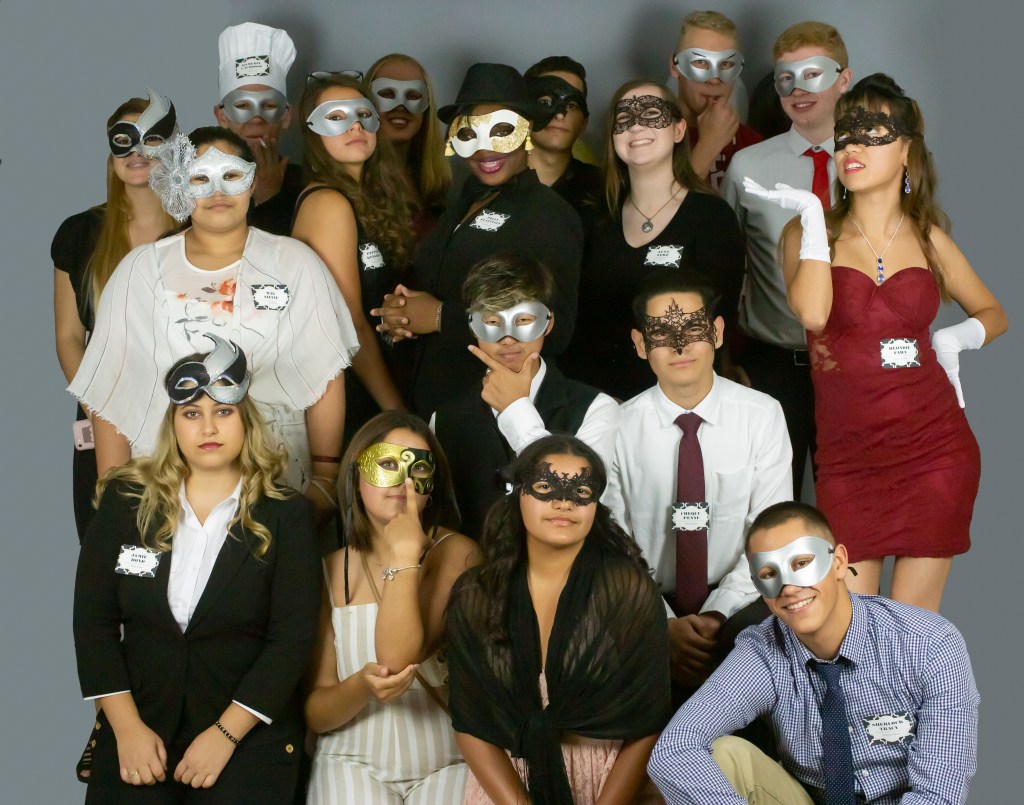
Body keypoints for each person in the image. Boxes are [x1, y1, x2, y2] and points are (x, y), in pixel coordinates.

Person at [746, 74, 1008, 610]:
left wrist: (954, 340)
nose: (852, 146)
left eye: (873, 132)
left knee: (913, 631)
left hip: (935, 450)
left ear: (907, 149)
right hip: (849, 460)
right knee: (854, 631)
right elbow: (814, 312)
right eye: (844, 134)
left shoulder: (929, 235)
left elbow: (993, 312)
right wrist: (816, 218)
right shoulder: (806, 232)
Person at [73, 339, 322, 803]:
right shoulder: (124, 502)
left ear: (246, 419)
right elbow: (93, 625)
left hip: (247, 736)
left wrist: (225, 737)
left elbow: (290, 642)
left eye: (223, 412)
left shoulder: (288, 516)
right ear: (172, 423)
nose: (207, 426)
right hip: (140, 727)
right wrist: (125, 729)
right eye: (191, 414)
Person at [69, 126, 358, 523]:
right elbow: (113, 387)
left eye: (232, 175)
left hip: (278, 472)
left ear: (253, 181)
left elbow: (325, 371)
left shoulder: (295, 264)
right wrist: (116, 498)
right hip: (164, 480)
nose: (217, 192)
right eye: (200, 178)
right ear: (179, 187)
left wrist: (325, 476)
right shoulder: (141, 270)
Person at [648, 501, 980, 805]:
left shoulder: (930, 643)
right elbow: (675, 748)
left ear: (838, 563)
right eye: (769, 575)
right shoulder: (762, 650)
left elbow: (939, 794)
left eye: (802, 563)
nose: (789, 588)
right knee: (726, 754)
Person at [447, 435, 671, 804]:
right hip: (507, 786)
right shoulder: (476, 594)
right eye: (545, 486)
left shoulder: (627, 591)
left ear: (596, 503)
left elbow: (649, 722)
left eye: (581, 490)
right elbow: (470, 723)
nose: (564, 501)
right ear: (518, 492)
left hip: (611, 784)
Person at [603, 268, 792, 690]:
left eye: (693, 327)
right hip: (644, 602)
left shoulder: (762, 416)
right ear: (639, 345)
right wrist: (662, 625)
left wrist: (716, 614)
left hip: (742, 599)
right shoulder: (616, 426)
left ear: (718, 332)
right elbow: (613, 540)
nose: (679, 344)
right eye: (660, 332)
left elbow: (771, 534)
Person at [372, 62, 583, 419]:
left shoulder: (549, 215)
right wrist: (405, 315)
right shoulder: (462, 202)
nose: (485, 150)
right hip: (434, 402)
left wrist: (439, 317)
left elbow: (557, 328)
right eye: (471, 134)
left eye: (501, 131)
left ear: (527, 132)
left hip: (493, 412)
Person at [306, 412, 479, 803]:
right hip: (350, 759)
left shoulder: (459, 554)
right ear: (356, 476)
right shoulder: (327, 571)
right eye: (387, 464)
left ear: (430, 485)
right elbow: (317, 711)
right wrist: (362, 686)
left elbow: (398, 656)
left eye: (417, 467)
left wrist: (404, 554)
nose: (402, 480)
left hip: (448, 761)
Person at [721, 21, 853, 498]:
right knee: (770, 510)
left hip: (853, 365)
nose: (798, 89)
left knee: (852, 510)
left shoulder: (875, 160)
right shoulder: (749, 166)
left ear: (844, 78)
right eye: (785, 78)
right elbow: (725, 263)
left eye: (813, 73)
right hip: (773, 365)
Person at [565, 80, 744, 402]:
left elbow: (718, 320)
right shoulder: (591, 215)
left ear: (678, 130)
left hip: (675, 401)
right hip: (592, 399)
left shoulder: (711, 217)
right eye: (623, 120)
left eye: (650, 113)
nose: (636, 127)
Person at [53, 91, 176, 543]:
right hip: (105, 411)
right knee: (111, 546)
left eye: (152, 139)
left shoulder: (197, 228)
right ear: (111, 152)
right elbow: (69, 336)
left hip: (184, 413)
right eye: (125, 140)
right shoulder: (80, 233)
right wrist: (102, 411)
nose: (137, 153)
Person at [432, 253, 619, 539]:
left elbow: (580, 495)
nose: (508, 339)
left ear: (548, 322)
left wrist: (515, 409)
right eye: (492, 322)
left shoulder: (595, 408)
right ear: (472, 326)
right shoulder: (445, 420)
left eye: (523, 320)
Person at [292, 73, 414, 441]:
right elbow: (349, 323)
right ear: (313, 133)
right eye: (336, 116)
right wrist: (397, 412)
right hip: (349, 392)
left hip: (380, 375)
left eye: (363, 113)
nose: (355, 125)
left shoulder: (370, 199)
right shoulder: (328, 203)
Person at [214, 21, 304, 235]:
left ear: (286, 116)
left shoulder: (307, 184)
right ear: (222, 116)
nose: (256, 119)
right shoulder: (200, 184)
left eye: (269, 105)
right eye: (243, 105)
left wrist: (269, 198)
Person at [668, 10, 762, 189]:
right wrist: (709, 145)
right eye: (700, 63)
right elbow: (656, 212)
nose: (714, 79)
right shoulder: (650, 138)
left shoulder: (754, 145)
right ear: (674, 66)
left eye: (726, 64)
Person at [366, 53, 451, 237]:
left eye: (413, 95)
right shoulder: (354, 182)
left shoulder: (433, 183)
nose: (401, 106)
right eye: (387, 93)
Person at [523, 56, 602, 221]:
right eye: (546, 102)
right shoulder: (493, 180)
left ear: (584, 122)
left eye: (572, 105)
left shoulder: (604, 189)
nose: (560, 114)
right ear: (523, 112)